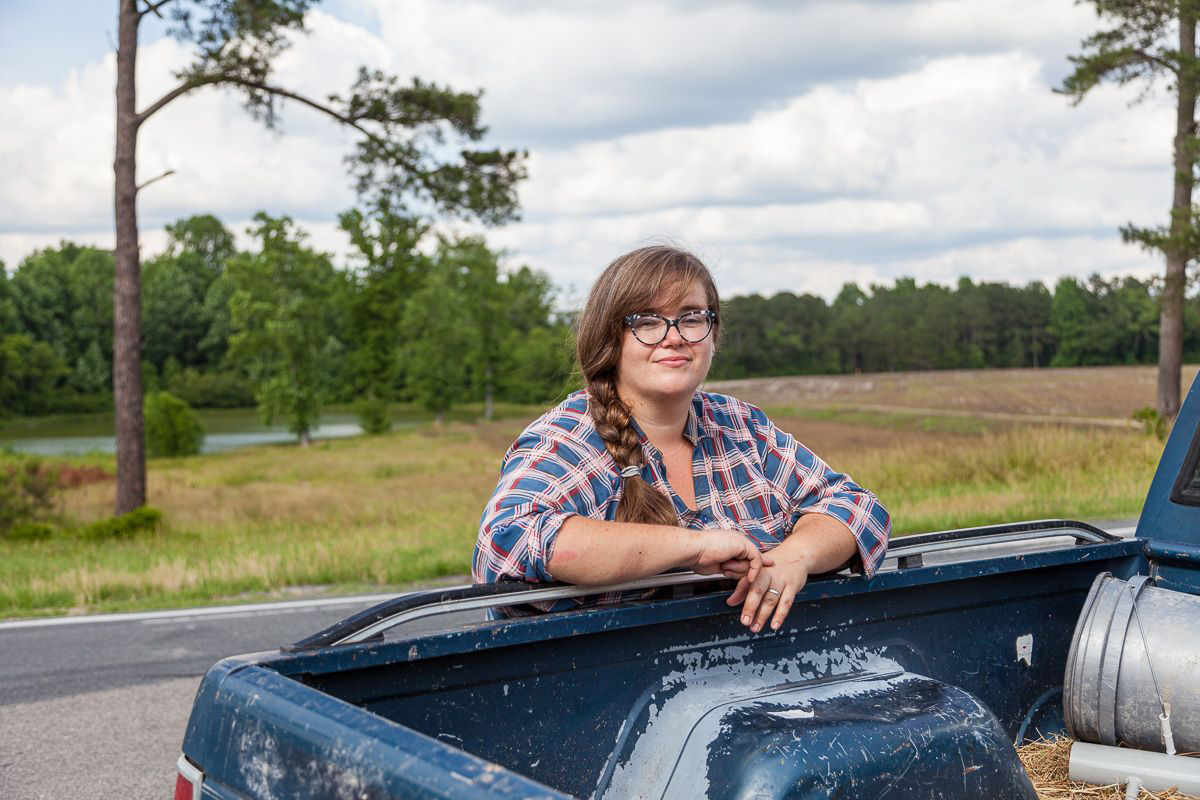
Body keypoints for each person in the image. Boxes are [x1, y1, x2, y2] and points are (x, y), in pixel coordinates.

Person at [473, 245, 890, 631]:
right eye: (647, 322)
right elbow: (506, 541)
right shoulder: (569, 439)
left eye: (692, 317)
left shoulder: (740, 426)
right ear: (608, 338)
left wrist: (795, 558)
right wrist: (693, 548)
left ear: (713, 334)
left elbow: (855, 507)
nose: (674, 336)